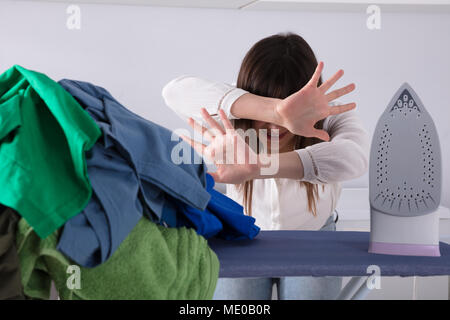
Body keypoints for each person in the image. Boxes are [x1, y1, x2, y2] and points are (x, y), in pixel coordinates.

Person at [162, 32, 370, 300]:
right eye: (269, 109)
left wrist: (259, 166)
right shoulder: (235, 108)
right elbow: (174, 92)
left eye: (292, 104)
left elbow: (353, 158)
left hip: (313, 236)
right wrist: (276, 110)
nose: (274, 127)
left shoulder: (330, 113)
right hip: (243, 235)